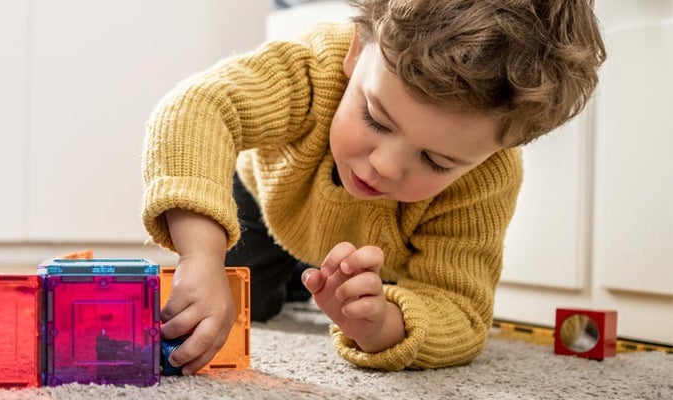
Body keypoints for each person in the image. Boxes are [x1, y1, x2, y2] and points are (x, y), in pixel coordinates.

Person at [141, 0, 605, 374]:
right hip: (269, 202)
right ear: (357, 51)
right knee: (234, 308)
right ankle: (299, 283)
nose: (383, 166)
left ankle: (336, 286)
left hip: (376, 250)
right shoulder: (313, 65)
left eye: (436, 160)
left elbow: (462, 312)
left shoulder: (487, 179)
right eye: (375, 118)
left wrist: (383, 324)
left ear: (496, 151)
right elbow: (196, 107)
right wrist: (200, 256)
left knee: (364, 298)